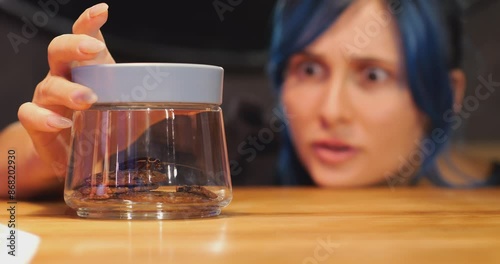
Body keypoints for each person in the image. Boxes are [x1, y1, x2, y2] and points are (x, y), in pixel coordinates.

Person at [0, 0, 498, 199]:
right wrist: (74, 139)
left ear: (449, 94)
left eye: (371, 74)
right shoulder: (231, 145)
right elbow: (7, 165)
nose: (330, 111)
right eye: (308, 69)